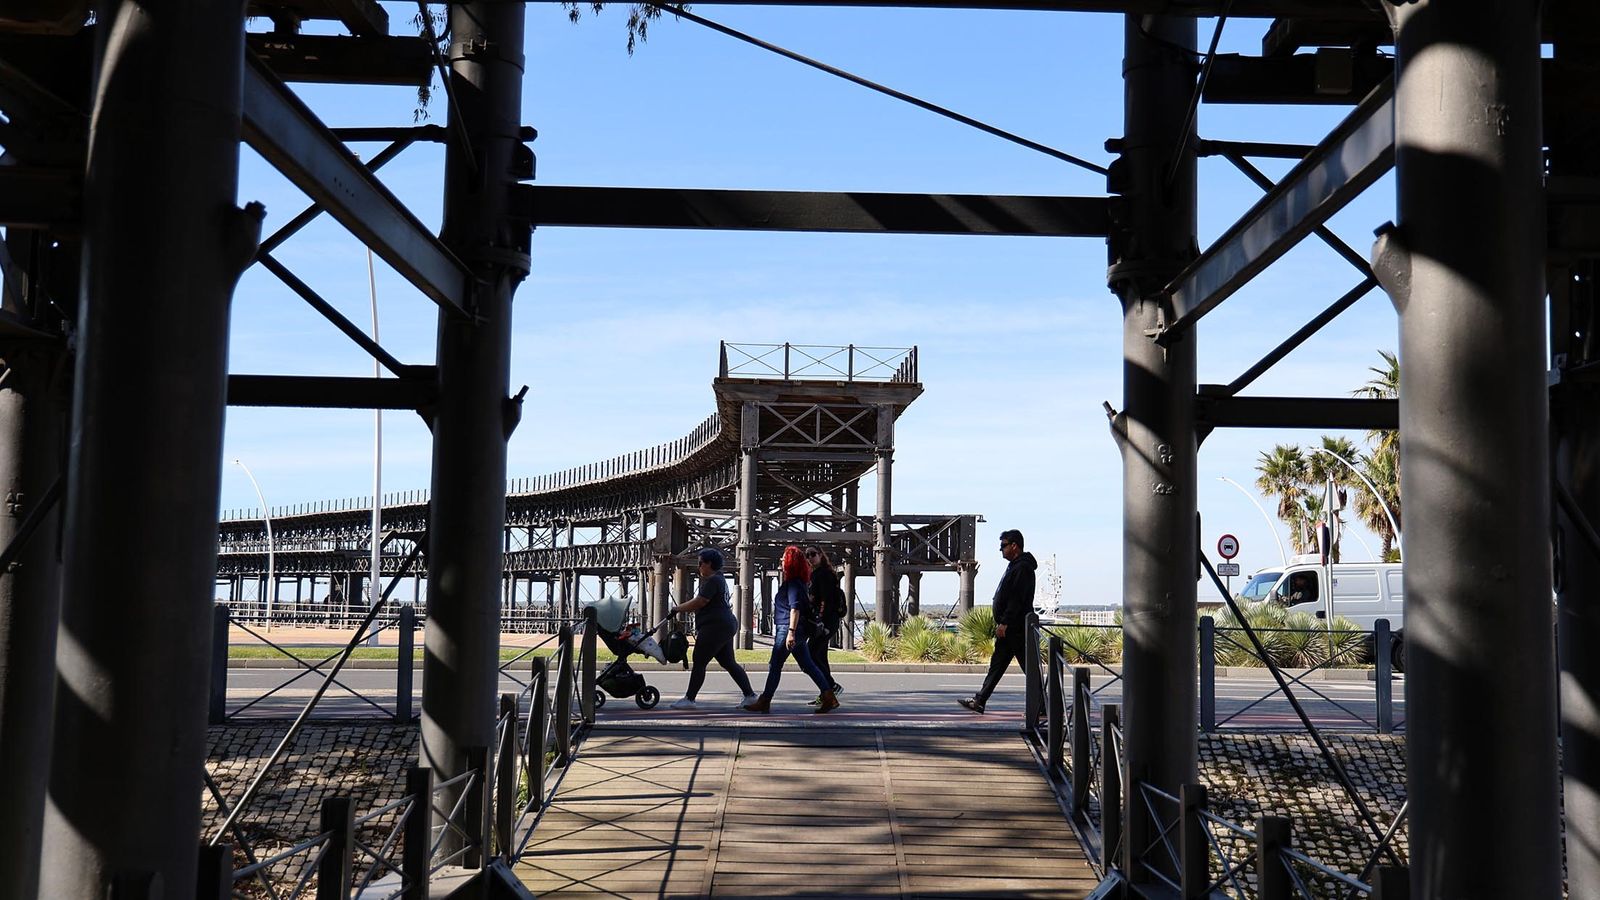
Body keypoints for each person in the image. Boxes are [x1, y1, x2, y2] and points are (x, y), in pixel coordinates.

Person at [743, 545, 838, 714]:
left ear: (789, 562)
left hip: (788, 628)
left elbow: (794, 608)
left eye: (783, 557)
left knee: (775, 664)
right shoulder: (799, 582)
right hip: (794, 629)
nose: (781, 560)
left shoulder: (793, 584)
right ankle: (829, 696)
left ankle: (765, 700)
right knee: (808, 665)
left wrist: (791, 633)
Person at [959, 529, 1037, 714]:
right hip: (1011, 628)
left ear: (1014, 546)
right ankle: (980, 700)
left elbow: (1016, 598)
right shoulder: (1016, 566)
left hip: (1014, 628)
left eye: (1003, 545)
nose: (1000, 549)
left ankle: (1042, 706)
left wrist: (1005, 622)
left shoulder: (1022, 568)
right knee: (998, 665)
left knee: (1027, 669)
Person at [668, 548, 757, 710]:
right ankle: (750, 695)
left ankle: (689, 699)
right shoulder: (719, 579)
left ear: (709, 564)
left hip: (715, 626)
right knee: (728, 662)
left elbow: (700, 601)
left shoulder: (713, 581)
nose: (698, 566)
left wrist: (677, 608)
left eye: (701, 563)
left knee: (699, 660)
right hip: (725, 624)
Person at [803, 546, 846, 704]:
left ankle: (831, 686)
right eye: (807, 555)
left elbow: (827, 601)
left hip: (826, 621)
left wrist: (822, 622)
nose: (810, 557)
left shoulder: (823, 574)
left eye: (813, 554)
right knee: (820, 656)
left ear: (821, 555)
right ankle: (826, 694)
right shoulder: (818, 574)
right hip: (825, 621)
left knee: (811, 655)